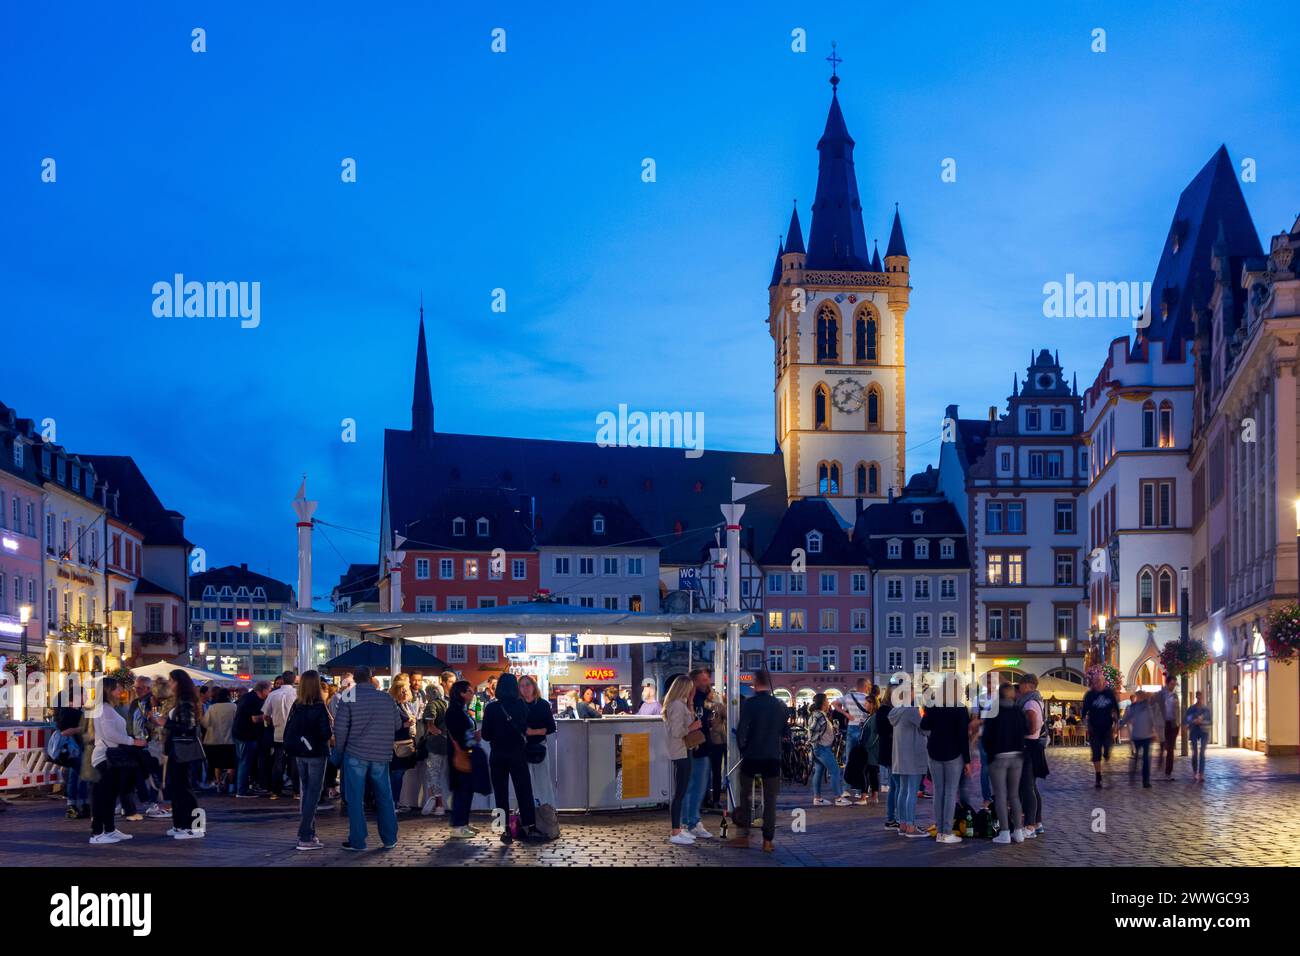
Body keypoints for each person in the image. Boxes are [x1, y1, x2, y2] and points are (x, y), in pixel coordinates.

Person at [333, 664, 406, 851]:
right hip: (381, 754)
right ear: (371, 677)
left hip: (355, 753)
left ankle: (358, 840)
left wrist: (339, 752)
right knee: (384, 796)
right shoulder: (385, 698)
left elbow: (340, 729)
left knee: (355, 799)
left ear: (356, 679)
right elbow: (398, 724)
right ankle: (389, 838)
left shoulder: (349, 696)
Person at [480, 673, 545, 844]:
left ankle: (503, 830)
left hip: (497, 756)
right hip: (517, 755)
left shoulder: (491, 708)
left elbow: (486, 735)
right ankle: (530, 827)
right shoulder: (521, 705)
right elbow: (526, 729)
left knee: (500, 794)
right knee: (524, 792)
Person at [728, 669, 785, 852]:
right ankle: (767, 841)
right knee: (770, 800)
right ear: (769, 683)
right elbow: (784, 732)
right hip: (772, 756)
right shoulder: (778, 705)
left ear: (755, 683)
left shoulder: (750, 704)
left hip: (752, 755)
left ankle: (743, 835)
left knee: (745, 795)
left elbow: (742, 730)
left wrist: (743, 749)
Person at [88, 677, 146, 845]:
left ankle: (110, 829)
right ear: (108, 690)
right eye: (117, 688)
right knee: (103, 796)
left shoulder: (107, 708)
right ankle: (97, 832)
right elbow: (109, 734)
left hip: (111, 755)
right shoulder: (104, 709)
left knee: (111, 795)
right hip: (105, 756)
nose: (120, 691)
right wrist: (132, 741)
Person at [283, 670, 333, 850]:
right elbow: (325, 733)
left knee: (306, 792)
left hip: (299, 753)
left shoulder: (297, 704)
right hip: (317, 753)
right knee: (313, 793)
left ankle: (310, 833)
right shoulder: (319, 706)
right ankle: (305, 835)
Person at [920, 675, 971, 845]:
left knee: (938, 792)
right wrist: (968, 760)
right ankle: (946, 831)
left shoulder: (933, 706)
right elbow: (963, 737)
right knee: (950, 792)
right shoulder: (960, 708)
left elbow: (924, 726)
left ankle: (940, 830)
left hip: (934, 752)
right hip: (954, 753)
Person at [982, 682, 1028, 845]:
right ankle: (1019, 831)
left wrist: (990, 752)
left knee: (1000, 795)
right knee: (1014, 795)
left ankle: (1005, 831)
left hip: (999, 756)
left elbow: (986, 736)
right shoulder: (1018, 710)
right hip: (1017, 755)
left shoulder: (993, 711)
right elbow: (1027, 729)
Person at [162, 669, 205, 839]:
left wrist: (166, 722)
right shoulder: (181, 700)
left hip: (183, 750)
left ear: (178, 682)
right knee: (177, 787)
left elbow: (187, 727)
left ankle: (194, 827)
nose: (169, 684)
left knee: (184, 788)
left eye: (171, 680)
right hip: (176, 748)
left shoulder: (186, 701)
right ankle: (179, 824)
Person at [681, 668, 721, 834]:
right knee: (692, 785)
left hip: (704, 744)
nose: (707, 683)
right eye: (703, 680)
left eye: (707, 680)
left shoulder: (707, 697)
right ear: (694, 682)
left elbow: (715, 714)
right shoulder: (688, 699)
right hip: (692, 745)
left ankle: (692, 821)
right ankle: (688, 822)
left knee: (700, 785)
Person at [662, 675, 699, 845]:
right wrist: (693, 727)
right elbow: (678, 732)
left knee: (682, 791)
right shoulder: (676, 705)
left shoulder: (679, 703)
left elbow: (689, 718)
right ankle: (675, 831)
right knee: (680, 793)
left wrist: (690, 701)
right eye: (690, 688)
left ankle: (678, 828)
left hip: (683, 750)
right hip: (680, 751)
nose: (692, 690)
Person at [888, 685, 929, 838]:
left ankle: (903, 824)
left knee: (903, 791)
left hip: (899, 757)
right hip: (913, 756)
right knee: (911, 791)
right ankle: (911, 826)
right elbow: (925, 729)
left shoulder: (895, 712)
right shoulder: (911, 711)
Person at [444, 680, 480, 839]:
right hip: (460, 755)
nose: (472, 695)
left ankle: (463, 822)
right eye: (470, 692)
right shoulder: (454, 711)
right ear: (461, 693)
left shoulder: (461, 710)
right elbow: (456, 734)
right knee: (462, 790)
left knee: (466, 790)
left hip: (467, 752)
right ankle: (458, 825)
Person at [518, 675, 558, 814]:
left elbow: (551, 727)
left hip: (539, 746)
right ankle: (527, 810)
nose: (525, 688)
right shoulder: (518, 704)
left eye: (528, 684)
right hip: (521, 747)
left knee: (543, 780)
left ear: (534, 686)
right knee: (524, 781)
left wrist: (534, 732)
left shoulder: (542, 704)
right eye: (522, 686)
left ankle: (548, 809)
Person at [808, 693, 850, 806]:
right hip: (822, 748)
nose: (828, 702)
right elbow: (813, 731)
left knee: (819, 771)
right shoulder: (819, 716)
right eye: (826, 700)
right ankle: (838, 798)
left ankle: (817, 798)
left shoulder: (819, 714)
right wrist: (814, 742)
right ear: (823, 703)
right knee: (835, 770)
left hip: (820, 747)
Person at [1018, 673, 1047, 837]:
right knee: (1032, 787)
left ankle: (1030, 826)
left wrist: (1021, 731)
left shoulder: (1029, 702)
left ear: (1028, 685)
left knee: (1027, 787)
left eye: (1021, 685)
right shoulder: (1036, 700)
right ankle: (1037, 822)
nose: (1019, 688)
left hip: (1028, 745)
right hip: (1034, 746)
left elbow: (1033, 723)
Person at [261, 671, 299, 799]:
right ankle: (297, 791)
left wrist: (272, 723)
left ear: (282, 680)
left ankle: (276, 791)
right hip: (294, 734)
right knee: (294, 762)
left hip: (278, 732)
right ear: (294, 680)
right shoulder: (297, 694)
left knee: (278, 762)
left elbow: (265, 715)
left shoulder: (273, 694)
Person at [1082, 671, 1120, 789]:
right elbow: (1084, 711)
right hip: (1094, 729)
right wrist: (1085, 721)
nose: (1097, 683)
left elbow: (1116, 709)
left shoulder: (1109, 694)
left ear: (1104, 682)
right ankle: (1098, 777)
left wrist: (1116, 723)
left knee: (1107, 750)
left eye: (1099, 681)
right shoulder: (1089, 695)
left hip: (1107, 727)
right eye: (1095, 681)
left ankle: (1107, 753)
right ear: (1093, 682)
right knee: (1096, 753)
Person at [233, 680, 270, 798]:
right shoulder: (254, 700)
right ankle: (241, 790)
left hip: (239, 733)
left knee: (242, 761)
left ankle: (241, 788)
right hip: (247, 734)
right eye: (269, 689)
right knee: (245, 762)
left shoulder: (247, 697)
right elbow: (255, 718)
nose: (269, 692)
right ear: (263, 690)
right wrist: (268, 717)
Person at [389, 681, 421, 812]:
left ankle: (396, 802)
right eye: (402, 690)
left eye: (406, 690)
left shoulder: (404, 705)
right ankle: (393, 802)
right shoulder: (394, 706)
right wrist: (406, 724)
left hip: (404, 742)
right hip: (397, 744)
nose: (405, 693)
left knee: (399, 774)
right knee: (397, 774)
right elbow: (391, 725)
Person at [420, 680, 449, 816]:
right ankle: (435, 800)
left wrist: (434, 730)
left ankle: (438, 803)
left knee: (433, 773)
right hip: (446, 744)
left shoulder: (431, 704)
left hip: (435, 744)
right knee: (440, 773)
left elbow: (430, 722)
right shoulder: (446, 703)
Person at [1121, 689, 1160, 788]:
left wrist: (1155, 731)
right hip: (1137, 736)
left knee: (1146, 759)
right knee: (1137, 758)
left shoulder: (1148, 707)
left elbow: (1152, 719)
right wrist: (1118, 727)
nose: (1139, 698)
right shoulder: (1133, 707)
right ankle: (1133, 776)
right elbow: (1126, 718)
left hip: (1147, 736)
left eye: (1140, 696)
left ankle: (1145, 780)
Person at [841, 678, 872, 800]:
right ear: (865, 686)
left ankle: (845, 789)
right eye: (869, 685)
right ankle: (859, 791)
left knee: (849, 759)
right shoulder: (868, 699)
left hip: (851, 728)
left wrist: (846, 714)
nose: (870, 687)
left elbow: (835, 704)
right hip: (862, 728)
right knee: (861, 761)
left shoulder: (849, 697)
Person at [201, 688, 237, 794]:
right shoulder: (234, 707)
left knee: (217, 763)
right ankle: (230, 785)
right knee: (231, 764)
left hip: (214, 740)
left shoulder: (212, 707)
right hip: (230, 740)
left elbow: (205, 723)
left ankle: (218, 783)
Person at [876, 685, 896, 826]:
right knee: (896, 786)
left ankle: (892, 818)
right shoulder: (886, 710)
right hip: (892, 751)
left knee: (894, 785)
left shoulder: (884, 709)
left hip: (890, 751)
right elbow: (884, 731)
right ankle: (894, 818)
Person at [1157, 676, 1181, 778]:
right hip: (1163, 724)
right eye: (1172, 684)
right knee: (1164, 745)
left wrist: (1179, 723)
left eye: (1175, 684)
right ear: (1167, 683)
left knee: (1170, 748)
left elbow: (1178, 710)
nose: (1173, 686)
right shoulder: (1161, 694)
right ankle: (1161, 758)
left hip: (1173, 724)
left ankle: (1168, 770)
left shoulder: (1175, 696)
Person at [1185, 691, 1211, 781]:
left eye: (1201, 697)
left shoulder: (1206, 710)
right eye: (1198, 697)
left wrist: (1202, 721)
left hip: (1204, 731)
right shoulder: (1191, 709)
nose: (1199, 699)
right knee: (1195, 752)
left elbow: (1210, 722)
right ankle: (1195, 772)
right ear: (1196, 697)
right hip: (1194, 731)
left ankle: (1201, 774)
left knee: (1202, 752)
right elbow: (1187, 720)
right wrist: (1193, 721)